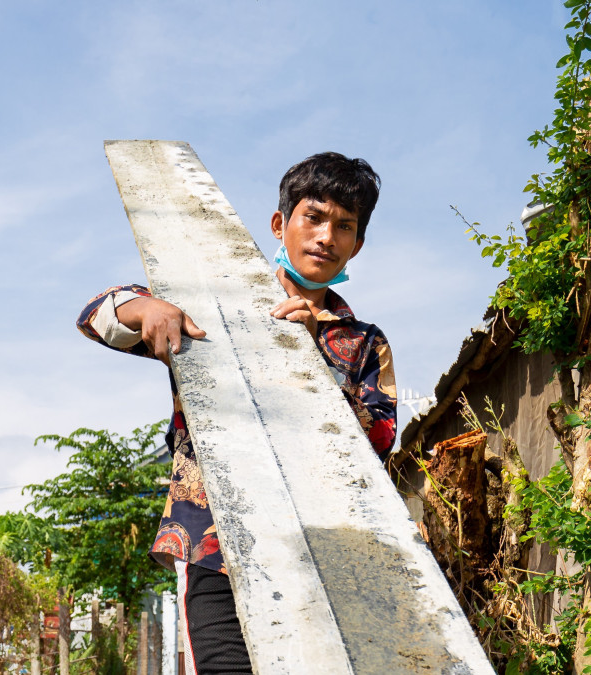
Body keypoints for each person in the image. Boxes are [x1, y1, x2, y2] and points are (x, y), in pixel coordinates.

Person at [74, 152, 397, 673]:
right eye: (313, 217)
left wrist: (312, 356)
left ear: (356, 246)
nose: (326, 237)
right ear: (280, 224)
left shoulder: (362, 343)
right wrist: (147, 308)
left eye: (344, 226)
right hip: (214, 542)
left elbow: (379, 443)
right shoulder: (214, 304)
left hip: (322, 551)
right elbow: (94, 315)